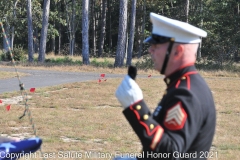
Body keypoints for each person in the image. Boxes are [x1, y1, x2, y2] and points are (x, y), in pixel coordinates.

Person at [115, 12, 216, 160]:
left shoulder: (186, 93)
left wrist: (136, 108)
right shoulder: (184, 84)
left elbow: (171, 152)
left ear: (178, 51)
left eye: (156, 45)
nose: (151, 50)